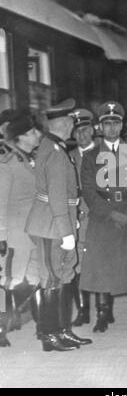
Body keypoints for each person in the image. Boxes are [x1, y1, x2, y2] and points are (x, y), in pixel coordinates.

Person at [25, 98, 92, 352]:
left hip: (56, 222)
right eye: (72, 122)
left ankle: (62, 331)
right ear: (63, 123)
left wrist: (70, 222)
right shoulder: (53, 152)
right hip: (51, 225)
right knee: (51, 279)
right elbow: (55, 195)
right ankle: (49, 335)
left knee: (63, 276)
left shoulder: (55, 148)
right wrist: (66, 231)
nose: (74, 126)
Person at [79, 101, 127, 333]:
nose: (111, 128)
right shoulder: (90, 157)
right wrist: (110, 213)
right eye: (107, 123)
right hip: (103, 214)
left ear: (122, 126)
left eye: (116, 123)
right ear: (100, 127)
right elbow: (88, 191)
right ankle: (102, 313)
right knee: (100, 263)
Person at [0, 114, 41, 347]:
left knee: (33, 278)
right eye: (33, 131)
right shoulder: (6, 164)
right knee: (7, 281)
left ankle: (24, 318)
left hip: (31, 233)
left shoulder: (28, 159)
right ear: (21, 137)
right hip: (14, 236)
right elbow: (0, 202)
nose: (38, 134)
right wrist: (1, 236)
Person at [69, 108, 96, 327]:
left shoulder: (104, 154)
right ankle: (83, 311)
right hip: (78, 217)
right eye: (77, 131)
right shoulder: (68, 157)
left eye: (85, 130)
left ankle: (104, 312)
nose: (81, 135)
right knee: (78, 265)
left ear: (93, 130)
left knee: (100, 263)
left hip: (98, 217)